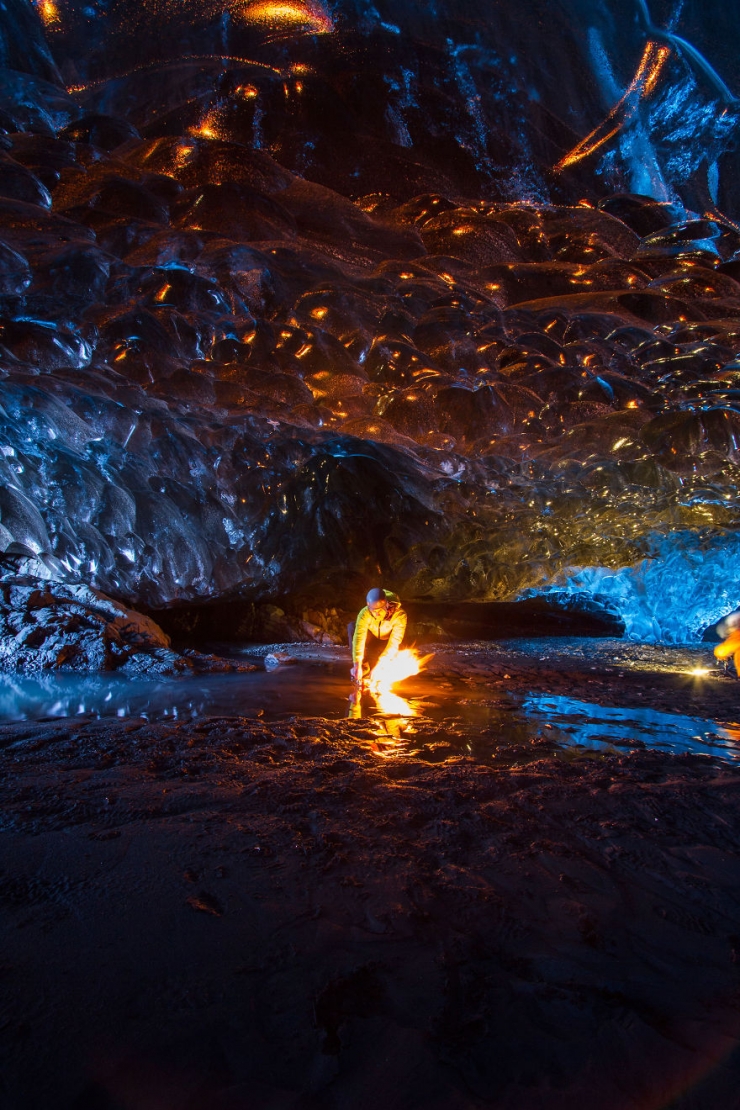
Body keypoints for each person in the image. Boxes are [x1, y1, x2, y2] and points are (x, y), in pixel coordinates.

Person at [349, 587, 407, 684]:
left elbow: (394, 642)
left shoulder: (400, 615)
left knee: (402, 648)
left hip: (386, 641)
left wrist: (380, 665)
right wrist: (357, 664)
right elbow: (359, 637)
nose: (376, 614)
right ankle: (364, 666)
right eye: (373, 611)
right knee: (352, 626)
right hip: (372, 637)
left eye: (379, 610)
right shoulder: (365, 613)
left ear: (387, 605)